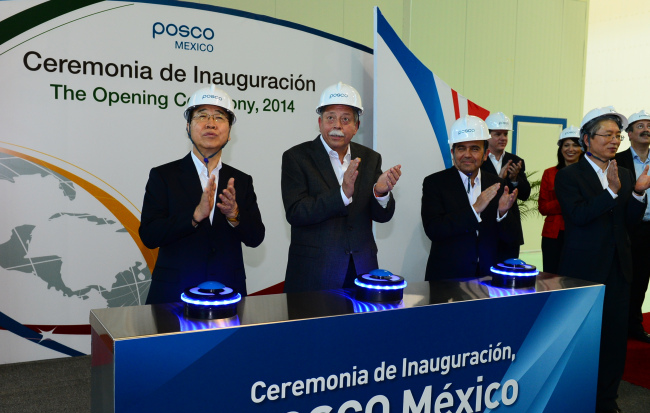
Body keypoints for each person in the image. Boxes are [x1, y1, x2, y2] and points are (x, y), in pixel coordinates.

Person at [555, 106, 650, 413]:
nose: (614, 141)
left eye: (617, 135)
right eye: (607, 135)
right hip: (583, 269)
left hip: (619, 267)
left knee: (613, 337)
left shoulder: (624, 173)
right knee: (580, 337)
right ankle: (572, 398)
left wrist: (637, 194)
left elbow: (629, 223)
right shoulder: (568, 176)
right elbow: (579, 216)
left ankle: (608, 400)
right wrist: (610, 192)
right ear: (586, 139)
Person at [139, 85, 265, 304]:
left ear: (229, 131)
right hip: (172, 296)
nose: (210, 123)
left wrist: (234, 214)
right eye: (202, 116)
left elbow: (256, 238)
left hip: (229, 293)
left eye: (219, 117)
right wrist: (194, 216)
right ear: (188, 126)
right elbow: (149, 236)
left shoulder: (241, 181)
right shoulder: (163, 176)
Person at [281, 82, 402, 293]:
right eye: (330, 118)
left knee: (361, 327)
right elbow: (296, 212)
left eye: (345, 119)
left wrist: (380, 193)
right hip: (314, 274)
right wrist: (342, 194)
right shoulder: (297, 157)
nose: (337, 125)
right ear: (320, 122)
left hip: (362, 270)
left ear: (356, 126)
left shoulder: (370, 158)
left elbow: (382, 217)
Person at [421, 115, 518, 281]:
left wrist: (502, 213)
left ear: (485, 153)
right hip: (447, 278)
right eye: (461, 148)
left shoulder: (499, 185)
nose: (467, 154)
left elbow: (511, 238)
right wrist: (474, 209)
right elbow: (434, 230)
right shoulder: (434, 183)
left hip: (489, 277)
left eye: (474, 148)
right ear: (452, 152)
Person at [615, 110, 650, 343]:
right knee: (626, 278)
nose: (646, 129)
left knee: (642, 280)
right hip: (630, 227)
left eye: (649, 125)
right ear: (629, 134)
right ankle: (619, 325)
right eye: (640, 126)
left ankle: (635, 326)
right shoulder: (618, 161)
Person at [482, 112, 531, 260]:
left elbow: (525, 194)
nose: (503, 138)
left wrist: (515, 179)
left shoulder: (515, 160)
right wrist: (499, 180)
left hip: (510, 229)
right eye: (497, 134)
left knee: (509, 275)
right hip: (486, 227)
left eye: (505, 134)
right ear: (487, 135)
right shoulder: (478, 160)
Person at [538, 126, 583, 274]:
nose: (571, 149)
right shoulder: (549, 173)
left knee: (576, 276)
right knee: (551, 277)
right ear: (560, 148)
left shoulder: (589, 174)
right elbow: (543, 208)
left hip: (580, 232)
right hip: (553, 234)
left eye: (575, 145)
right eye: (566, 145)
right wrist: (566, 200)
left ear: (582, 147)